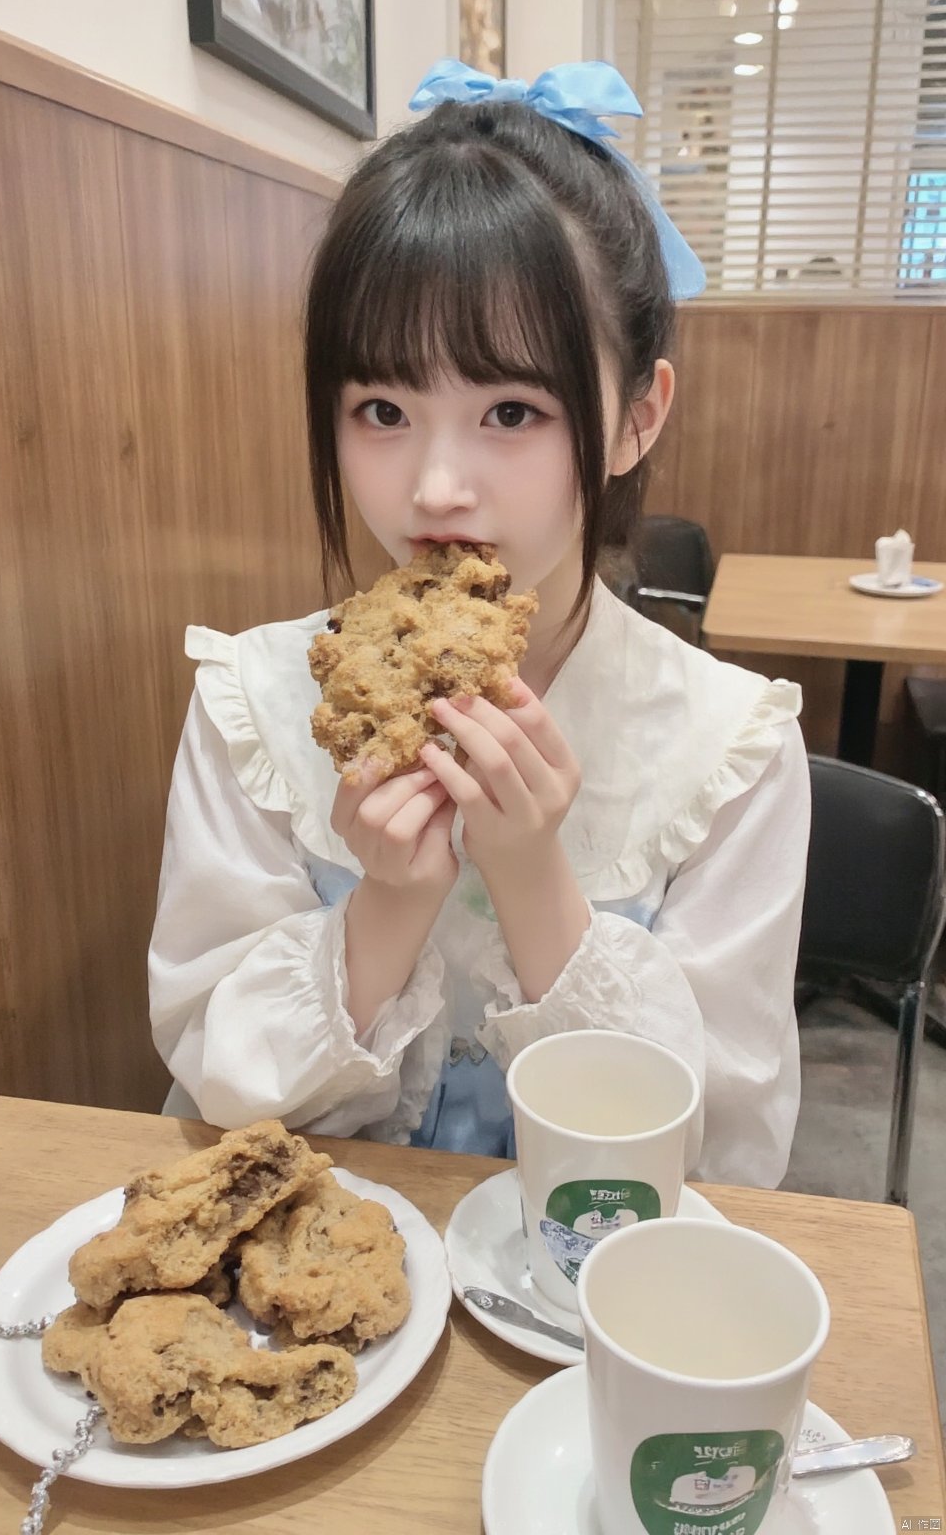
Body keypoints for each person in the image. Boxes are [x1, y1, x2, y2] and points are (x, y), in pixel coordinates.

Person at [149, 60, 810, 1188]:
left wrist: (534, 877)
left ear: (634, 418)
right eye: (382, 410)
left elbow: (723, 1151)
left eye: (510, 410)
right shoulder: (253, 704)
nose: (435, 487)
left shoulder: (730, 749)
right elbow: (216, 1079)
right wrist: (388, 905)